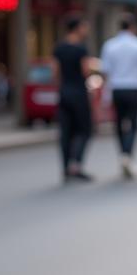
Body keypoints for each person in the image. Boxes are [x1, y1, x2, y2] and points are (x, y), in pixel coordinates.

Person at [100, 16, 137, 179]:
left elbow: (105, 71)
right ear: (133, 27)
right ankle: (128, 154)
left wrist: (106, 90)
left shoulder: (110, 45)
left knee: (119, 123)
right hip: (134, 88)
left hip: (116, 88)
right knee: (133, 123)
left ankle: (123, 152)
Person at [53, 17, 94, 182]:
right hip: (79, 93)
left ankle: (65, 167)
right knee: (84, 130)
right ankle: (76, 164)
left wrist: (62, 87)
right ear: (77, 28)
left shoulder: (59, 48)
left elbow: (54, 72)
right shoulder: (81, 49)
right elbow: (86, 72)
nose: (86, 30)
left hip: (64, 93)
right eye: (84, 27)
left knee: (65, 132)